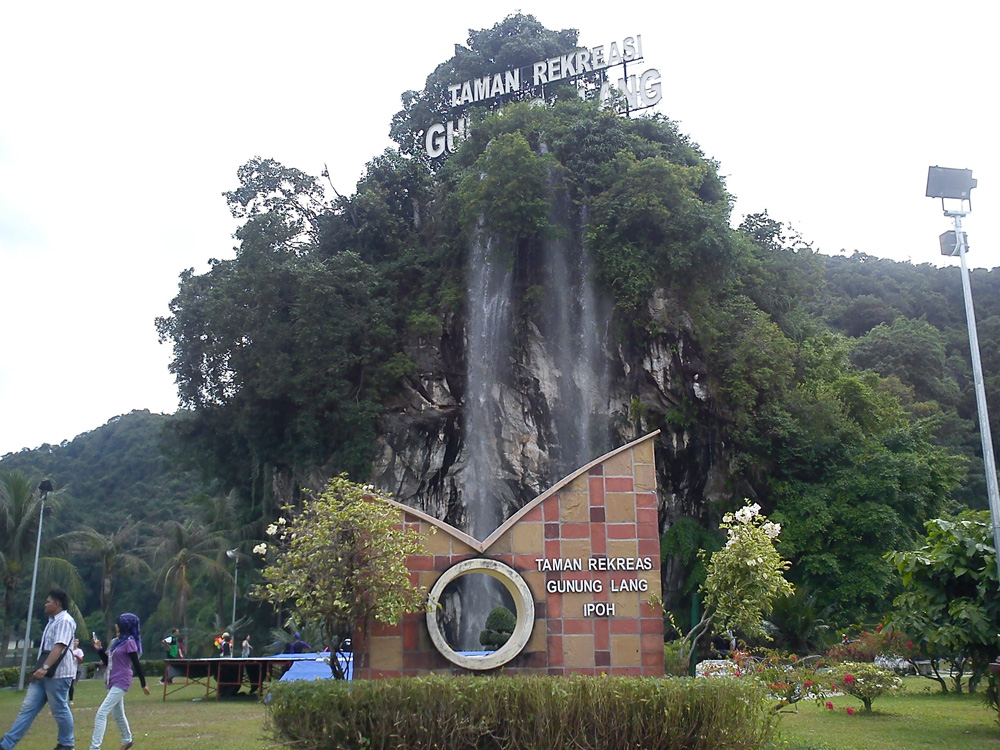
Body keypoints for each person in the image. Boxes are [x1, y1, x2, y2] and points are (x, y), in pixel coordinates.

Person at [0, 588, 77, 750]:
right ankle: (6, 744)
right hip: (43, 674)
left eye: (48, 602)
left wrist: (45, 667)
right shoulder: (53, 621)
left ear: (57, 604)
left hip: (58, 674)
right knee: (27, 709)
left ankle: (66, 743)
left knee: (59, 709)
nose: (45, 604)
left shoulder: (64, 620)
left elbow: (59, 646)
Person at [90, 612, 149, 750]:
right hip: (112, 680)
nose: (116, 626)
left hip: (121, 681)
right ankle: (127, 739)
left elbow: (137, 664)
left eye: (119, 624)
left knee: (101, 713)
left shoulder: (130, 643)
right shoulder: (116, 643)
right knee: (118, 714)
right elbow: (107, 661)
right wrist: (99, 649)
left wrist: (143, 684)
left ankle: (94, 747)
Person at [68, 637, 85, 705]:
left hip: (73, 669)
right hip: (66, 669)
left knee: (71, 685)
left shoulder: (79, 651)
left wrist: (76, 656)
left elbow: (81, 660)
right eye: (74, 641)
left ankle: (71, 699)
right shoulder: (69, 649)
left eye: (77, 641)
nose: (75, 643)